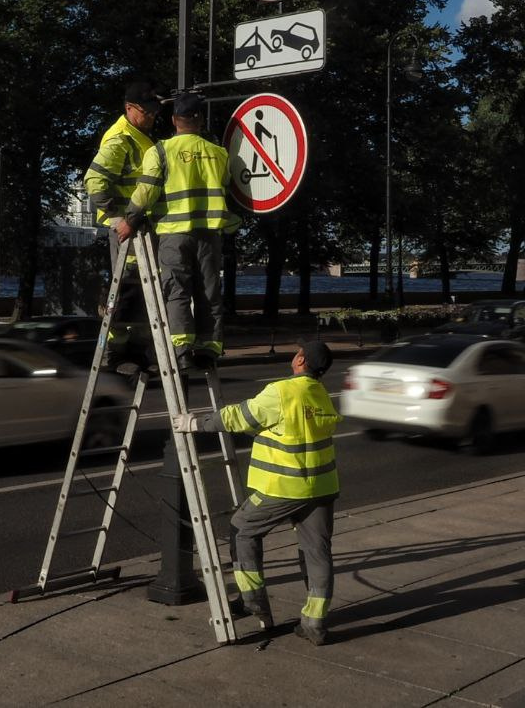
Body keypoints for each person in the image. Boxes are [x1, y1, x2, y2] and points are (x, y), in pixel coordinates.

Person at [173, 340, 342, 645]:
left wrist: (195, 423)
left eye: (297, 352)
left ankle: (252, 601)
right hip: (322, 487)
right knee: (318, 554)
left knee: (241, 530)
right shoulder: (321, 395)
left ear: (301, 360)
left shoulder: (281, 391)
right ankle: (315, 623)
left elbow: (238, 416)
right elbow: (292, 429)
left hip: (284, 486)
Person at [116, 91, 240, 370]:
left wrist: (130, 221)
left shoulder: (160, 151)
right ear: (200, 120)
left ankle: (182, 351)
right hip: (209, 235)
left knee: (176, 291)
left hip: (174, 234)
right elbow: (228, 186)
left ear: (174, 120)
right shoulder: (218, 153)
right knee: (209, 292)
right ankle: (208, 349)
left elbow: (146, 191)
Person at [83, 81, 162, 369]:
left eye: (155, 111)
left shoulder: (139, 136)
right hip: (130, 232)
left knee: (142, 293)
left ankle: (135, 351)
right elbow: (94, 181)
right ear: (129, 109)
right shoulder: (121, 139)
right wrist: (120, 221)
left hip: (140, 229)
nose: (153, 115)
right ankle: (115, 354)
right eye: (147, 111)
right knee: (128, 294)